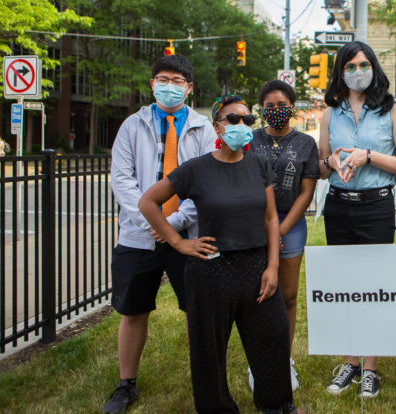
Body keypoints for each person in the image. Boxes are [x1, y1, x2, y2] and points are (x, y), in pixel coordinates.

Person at [139, 94, 302, 414]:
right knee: (208, 350)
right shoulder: (196, 169)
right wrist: (178, 242)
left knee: (274, 336)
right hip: (211, 269)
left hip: (256, 266)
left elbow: (271, 218)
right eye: (233, 119)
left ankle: (277, 406)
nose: (242, 125)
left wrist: (271, 266)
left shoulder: (258, 165)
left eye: (247, 120)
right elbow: (148, 202)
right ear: (217, 126)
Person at [105, 54, 216, 413]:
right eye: (163, 80)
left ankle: (203, 380)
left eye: (177, 81)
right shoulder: (131, 126)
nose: (170, 86)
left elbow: (207, 182)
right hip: (139, 236)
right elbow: (121, 180)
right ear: (152, 84)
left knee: (195, 310)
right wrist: (153, 223)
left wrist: (175, 224)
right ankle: (126, 384)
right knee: (133, 311)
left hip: (188, 235)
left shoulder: (203, 129)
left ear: (189, 87)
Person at [318, 41, 396, 399]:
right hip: (338, 206)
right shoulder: (330, 113)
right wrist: (331, 163)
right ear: (340, 71)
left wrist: (369, 156)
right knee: (345, 286)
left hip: (376, 206)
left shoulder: (394, 110)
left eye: (364, 64)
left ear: (373, 66)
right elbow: (320, 164)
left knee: (372, 286)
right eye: (350, 66)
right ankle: (350, 362)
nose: (358, 71)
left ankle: (370, 368)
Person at [249, 80, 319, 391]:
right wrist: (265, 228)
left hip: (291, 225)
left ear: (292, 107)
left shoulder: (306, 143)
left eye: (282, 105)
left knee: (288, 296)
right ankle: (259, 362)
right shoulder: (249, 141)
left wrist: (280, 229)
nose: (276, 110)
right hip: (253, 227)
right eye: (269, 107)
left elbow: (307, 193)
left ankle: (284, 360)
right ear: (262, 111)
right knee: (259, 297)